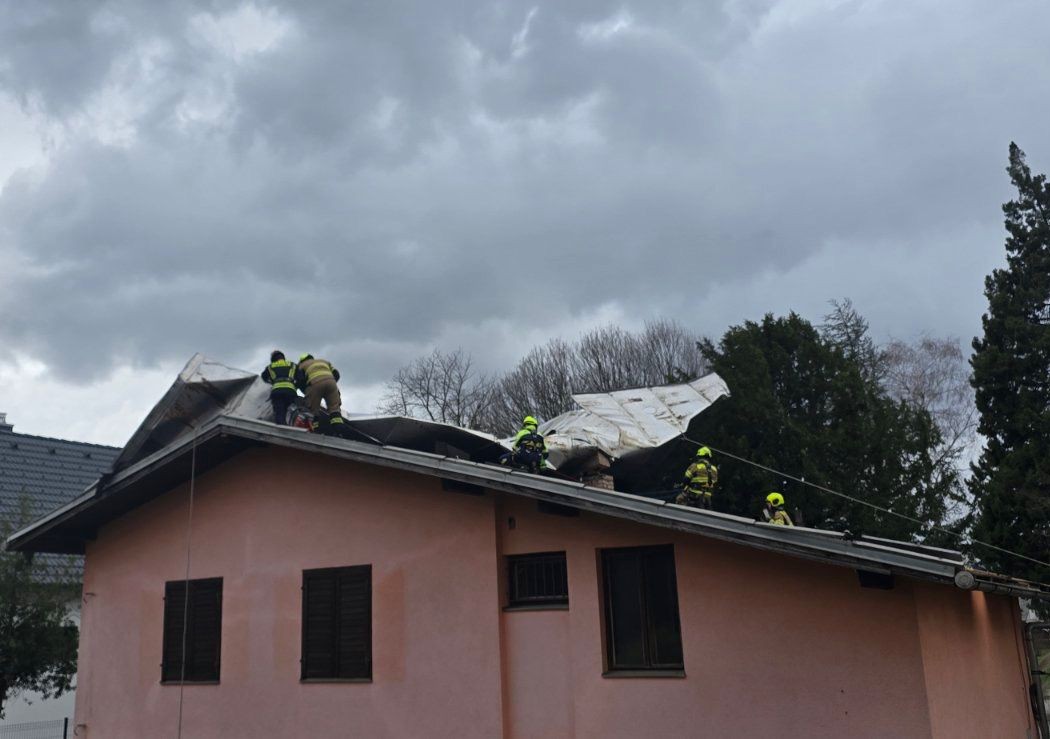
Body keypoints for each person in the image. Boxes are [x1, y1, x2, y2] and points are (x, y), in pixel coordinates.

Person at [294, 353, 345, 434]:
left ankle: (315, 432)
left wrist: (306, 391)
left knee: (312, 411)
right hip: (331, 383)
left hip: (315, 384)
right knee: (335, 410)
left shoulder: (301, 365)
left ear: (302, 360)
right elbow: (336, 374)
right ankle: (340, 432)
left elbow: (300, 381)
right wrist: (331, 382)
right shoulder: (324, 361)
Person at [260, 350, 298, 426]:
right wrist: (294, 386)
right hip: (290, 392)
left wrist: (272, 382)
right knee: (291, 412)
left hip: (277, 392)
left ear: (273, 358)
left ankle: (281, 429)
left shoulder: (270, 366)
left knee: (279, 412)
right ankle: (291, 428)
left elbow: (264, 377)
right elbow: (300, 377)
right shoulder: (292, 365)